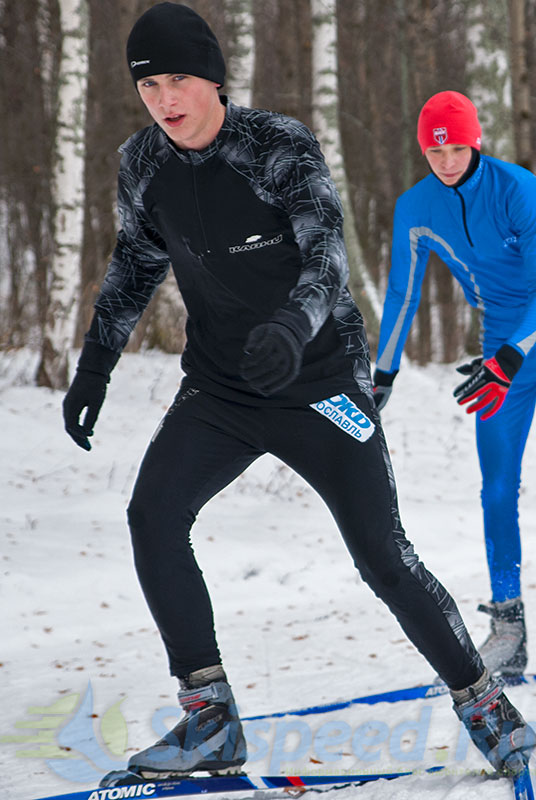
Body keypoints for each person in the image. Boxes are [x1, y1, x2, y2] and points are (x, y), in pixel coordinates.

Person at [63, 7, 533, 783]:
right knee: (152, 514)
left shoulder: (275, 146)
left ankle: (487, 708)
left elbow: (325, 254)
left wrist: (293, 326)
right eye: (148, 83)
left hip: (318, 380)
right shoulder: (141, 161)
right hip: (222, 388)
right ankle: (209, 717)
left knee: (382, 554)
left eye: (178, 79)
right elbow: (133, 266)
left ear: (213, 79)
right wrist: (94, 363)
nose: (163, 98)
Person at [373, 90, 536, 681]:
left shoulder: (517, 188)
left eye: (457, 146)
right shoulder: (416, 207)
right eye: (434, 150)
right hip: (502, 355)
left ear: (476, 141)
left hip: (521, 345)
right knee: (497, 488)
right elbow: (403, 292)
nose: (445, 160)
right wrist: (383, 373)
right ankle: (510, 627)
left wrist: (514, 353)